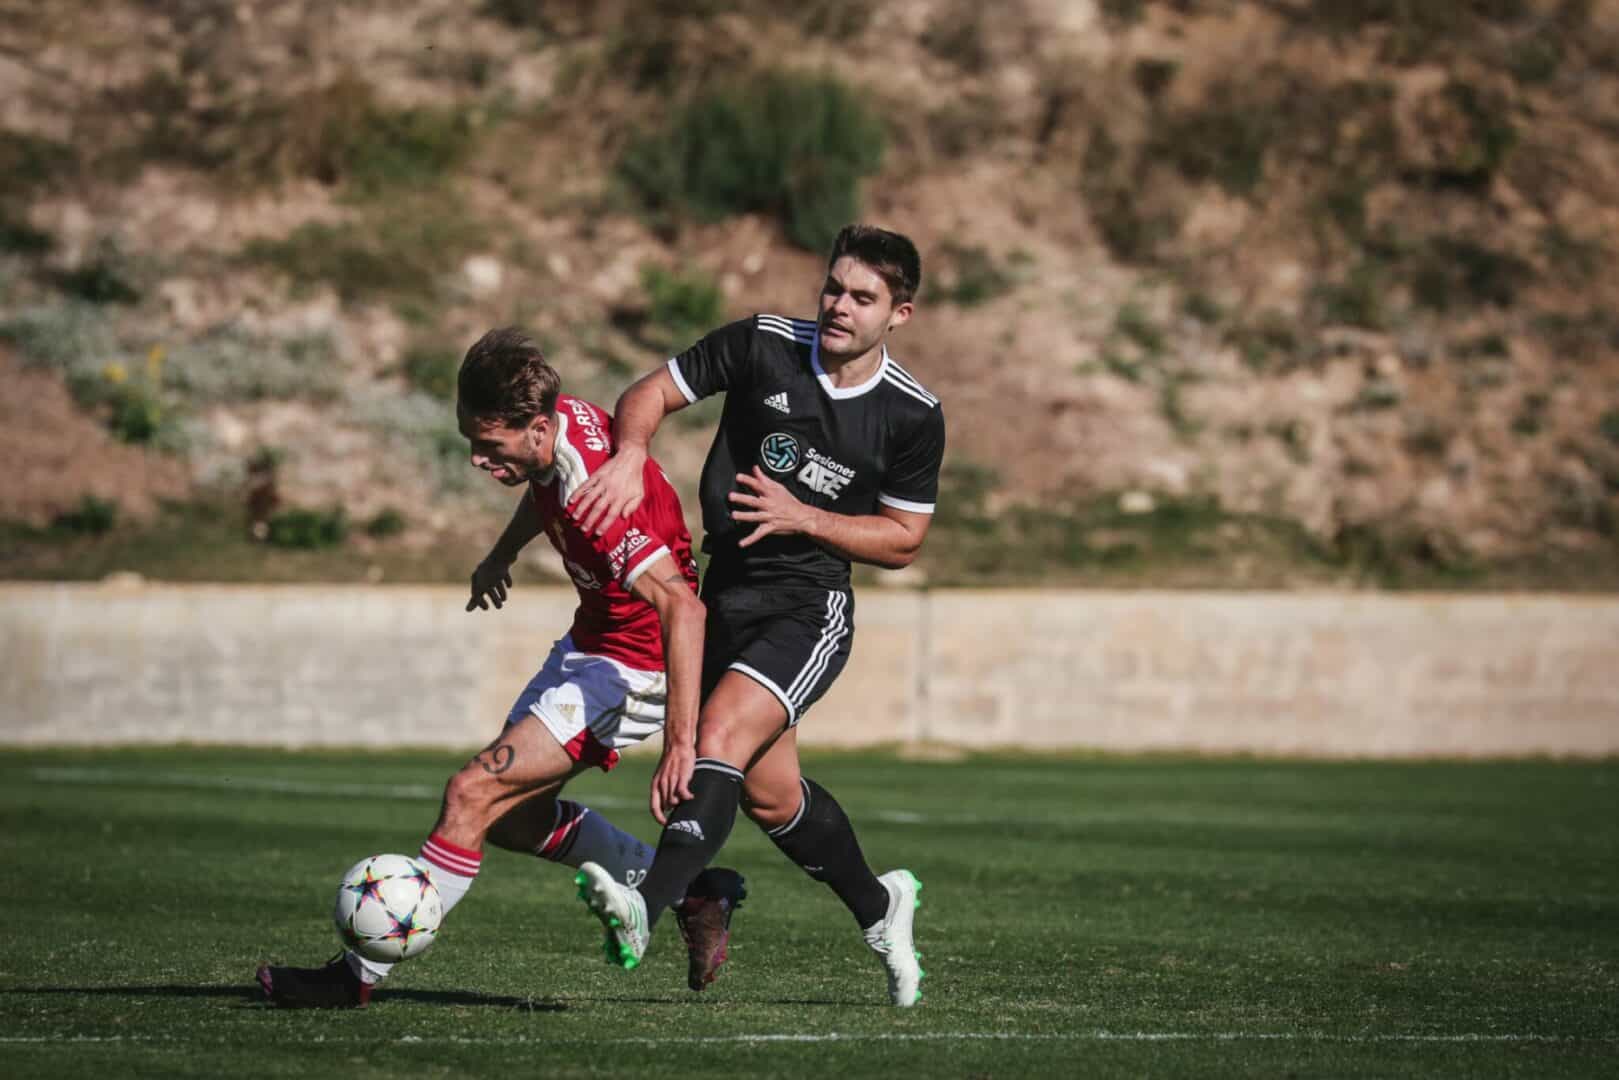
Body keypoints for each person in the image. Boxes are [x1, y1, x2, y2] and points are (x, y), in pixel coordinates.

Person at [256, 328, 746, 1007]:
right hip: (590, 643)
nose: (477, 459)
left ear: (537, 427)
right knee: (513, 820)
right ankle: (694, 892)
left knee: (470, 793)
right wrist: (503, 552)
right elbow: (545, 486)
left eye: (488, 445)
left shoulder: (596, 496)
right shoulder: (557, 425)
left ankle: (356, 977)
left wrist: (680, 745)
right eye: (470, 441)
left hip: (629, 670)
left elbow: (684, 610)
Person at [566, 225, 945, 1007]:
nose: (839, 305)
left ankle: (645, 906)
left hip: (809, 606)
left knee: (717, 740)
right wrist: (631, 453)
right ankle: (881, 907)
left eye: (862, 297)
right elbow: (648, 393)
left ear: (898, 315)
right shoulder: (762, 344)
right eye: (833, 288)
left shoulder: (911, 413)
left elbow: (904, 539)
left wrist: (803, 516)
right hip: (724, 592)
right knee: (771, 795)